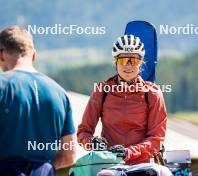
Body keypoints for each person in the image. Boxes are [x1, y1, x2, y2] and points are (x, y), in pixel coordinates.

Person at [77, 34, 167, 165]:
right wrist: (92, 142)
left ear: (141, 63)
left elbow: (156, 139)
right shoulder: (102, 91)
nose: (128, 66)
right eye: (122, 60)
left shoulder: (152, 94)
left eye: (134, 60)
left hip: (141, 167)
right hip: (108, 165)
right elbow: (83, 132)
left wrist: (128, 152)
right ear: (115, 61)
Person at [0, 26, 76, 175]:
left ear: (1, 54)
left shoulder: (2, 85)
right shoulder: (60, 93)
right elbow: (69, 155)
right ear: (34, 55)